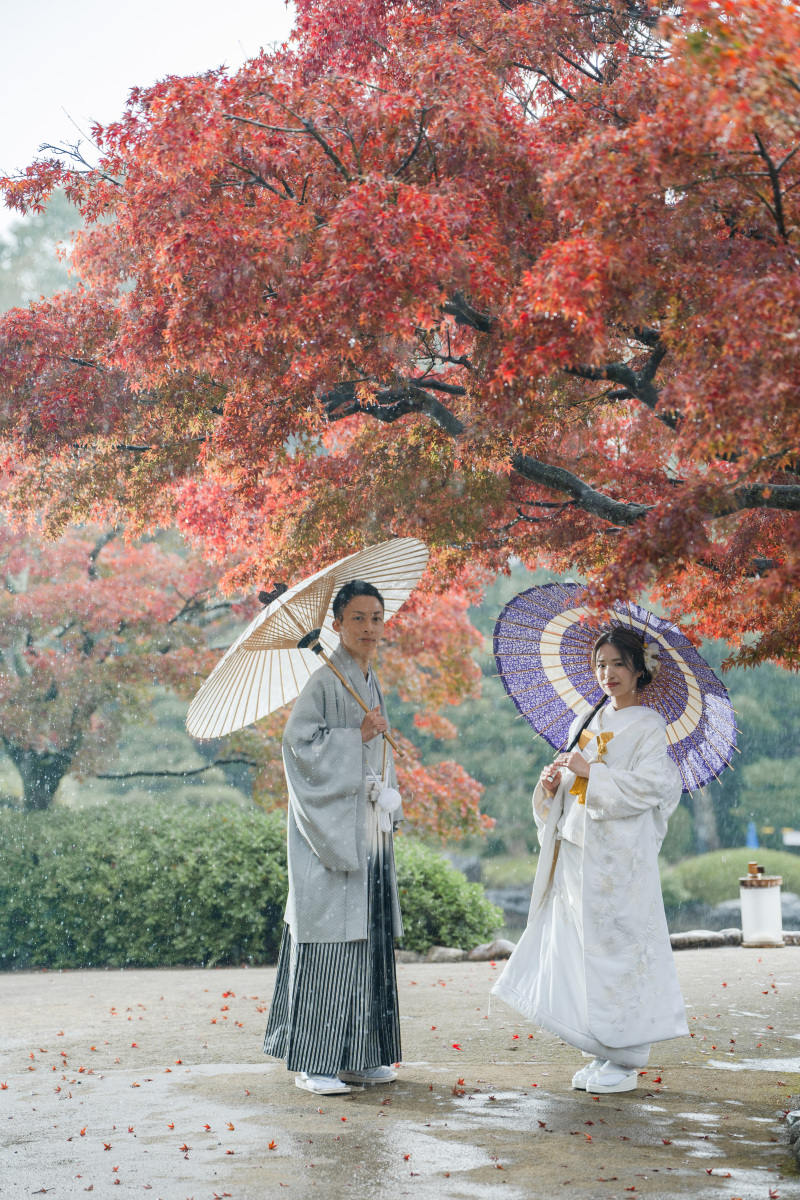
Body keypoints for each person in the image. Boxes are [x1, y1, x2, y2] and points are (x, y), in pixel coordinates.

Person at [491, 626, 689, 1094]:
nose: (608, 674)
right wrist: (553, 787)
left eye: (619, 663)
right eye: (601, 665)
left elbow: (656, 788)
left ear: (640, 669)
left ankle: (626, 1058)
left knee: (619, 951)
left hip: (620, 861)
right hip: (580, 853)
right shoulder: (590, 720)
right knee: (582, 951)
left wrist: (593, 773)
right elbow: (575, 790)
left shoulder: (649, 726)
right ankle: (600, 1048)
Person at [263, 579, 404, 1095]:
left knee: (365, 943)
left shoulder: (367, 678)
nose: (369, 628)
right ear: (338, 625)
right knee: (328, 945)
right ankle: (314, 1061)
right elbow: (297, 747)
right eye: (358, 618)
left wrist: (387, 796)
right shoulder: (324, 681)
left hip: (364, 828)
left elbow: (377, 756)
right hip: (326, 835)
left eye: (376, 618)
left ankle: (359, 1056)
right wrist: (356, 738)